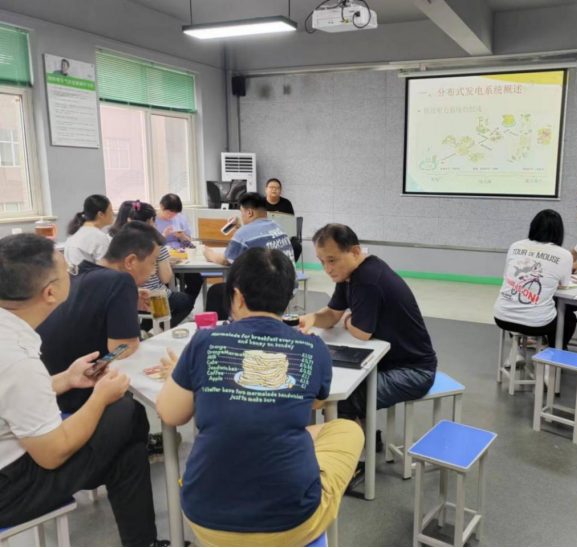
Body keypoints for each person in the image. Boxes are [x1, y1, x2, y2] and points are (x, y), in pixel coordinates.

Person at [157, 248, 364, 547]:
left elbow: (171, 414)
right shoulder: (312, 347)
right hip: (292, 525)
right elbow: (315, 403)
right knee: (347, 430)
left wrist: (177, 374)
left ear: (237, 297)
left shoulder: (205, 341)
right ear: (287, 298)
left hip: (206, 520)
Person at [0, 234, 169, 547]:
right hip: (11, 488)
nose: (75, 274)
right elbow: (52, 453)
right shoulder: (17, 360)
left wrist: (66, 379)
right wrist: (100, 398)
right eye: (69, 271)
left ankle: (143, 542)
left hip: (14, 451)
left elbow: (12, 397)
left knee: (127, 450)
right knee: (125, 410)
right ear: (50, 292)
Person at [299, 224, 437, 483]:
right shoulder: (349, 274)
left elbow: (362, 332)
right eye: (321, 261)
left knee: (344, 398)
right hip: (389, 363)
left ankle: (352, 465)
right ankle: (366, 438)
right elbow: (332, 314)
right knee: (348, 387)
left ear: (354, 251)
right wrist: (312, 318)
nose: (327, 268)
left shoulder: (368, 280)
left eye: (332, 260)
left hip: (414, 372)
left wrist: (348, 321)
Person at [37, 221, 164, 414]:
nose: (154, 271)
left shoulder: (79, 275)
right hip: (80, 393)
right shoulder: (122, 281)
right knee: (134, 413)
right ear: (130, 261)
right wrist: (136, 339)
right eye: (153, 263)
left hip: (49, 388)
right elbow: (121, 348)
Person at [494, 210, 577, 350]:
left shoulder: (515, 246)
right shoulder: (564, 255)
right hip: (537, 324)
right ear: (559, 231)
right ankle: (553, 354)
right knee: (568, 318)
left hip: (502, 317)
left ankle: (520, 348)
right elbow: (564, 285)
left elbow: (508, 275)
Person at [204, 193, 295, 320]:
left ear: (250, 212)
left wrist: (209, 254)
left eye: (241, 211)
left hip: (263, 294)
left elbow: (225, 260)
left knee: (216, 291)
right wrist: (240, 229)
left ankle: (223, 328)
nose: (241, 215)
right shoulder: (278, 227)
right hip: (287, 290)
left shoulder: (244, 233)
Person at [111, 200, 195, 328]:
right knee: (186, 301)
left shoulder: (116, 242)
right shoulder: (155, 243)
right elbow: (166, 278)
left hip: (126, 297)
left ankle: (145, 328)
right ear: (151, 221)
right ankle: (159, 330)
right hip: (152, 298)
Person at [156, 193, 203, 302]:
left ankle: (185, 305)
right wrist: (164, 236)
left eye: (175, 213)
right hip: (162, 260)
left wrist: (181, 236)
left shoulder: (180, 218)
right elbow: (151, 244)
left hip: (181, 258)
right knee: (164, 285)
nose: (173, 216)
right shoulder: (153, 220)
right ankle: (175, 306)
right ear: (161, 206)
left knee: (196, 280)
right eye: (170, 212)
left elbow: (188, 242)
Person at [65, 195, 114, 267]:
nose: (113, 213)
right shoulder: (98, 236)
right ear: (100, 214)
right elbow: (106, 268)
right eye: (110, 210)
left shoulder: (76, 232)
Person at [264, 178, 302, 262]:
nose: (274, 189)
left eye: (277, 188)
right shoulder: (260, 203)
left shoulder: (286, 203)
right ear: (266, 189)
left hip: (284, 234)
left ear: (280, 191)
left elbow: (291, 222)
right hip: (265, 234)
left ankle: (289, 266)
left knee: (296, 246)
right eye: (271, 187)